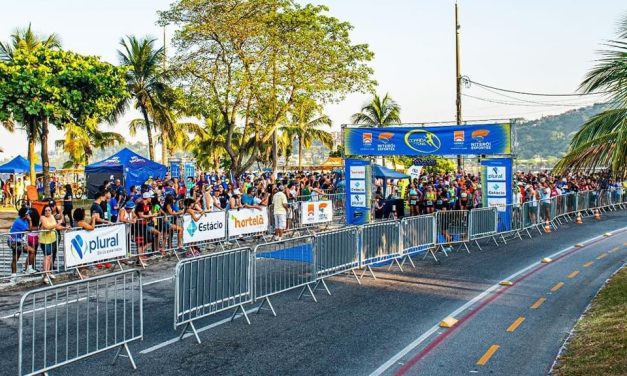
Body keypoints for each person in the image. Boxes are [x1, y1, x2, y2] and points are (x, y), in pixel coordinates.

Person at [40, 205, 69, 284]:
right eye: (46, 210)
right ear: (44, 211)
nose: (47, 212)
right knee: (47, 256)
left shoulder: (52, 216)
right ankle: (45, 274)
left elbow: (57, 227)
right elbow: (47, 227)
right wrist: (57, 224)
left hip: (52, 239)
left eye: (49, 210)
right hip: (45, 241)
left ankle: (48, 272)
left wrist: (64, 228)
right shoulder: (42, 218)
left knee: (50, 256)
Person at [7, 208, 36, 280]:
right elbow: (30, 230)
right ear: (25, 214)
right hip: (14, 242)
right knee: (32, 251)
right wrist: (30, 220)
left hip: (17, 241)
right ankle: (28, 269)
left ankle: (13, 276)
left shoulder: (24, 220)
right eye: (28, 213)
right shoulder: (19, 222)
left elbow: (30, 228)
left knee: (15, 257)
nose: (29, 214)